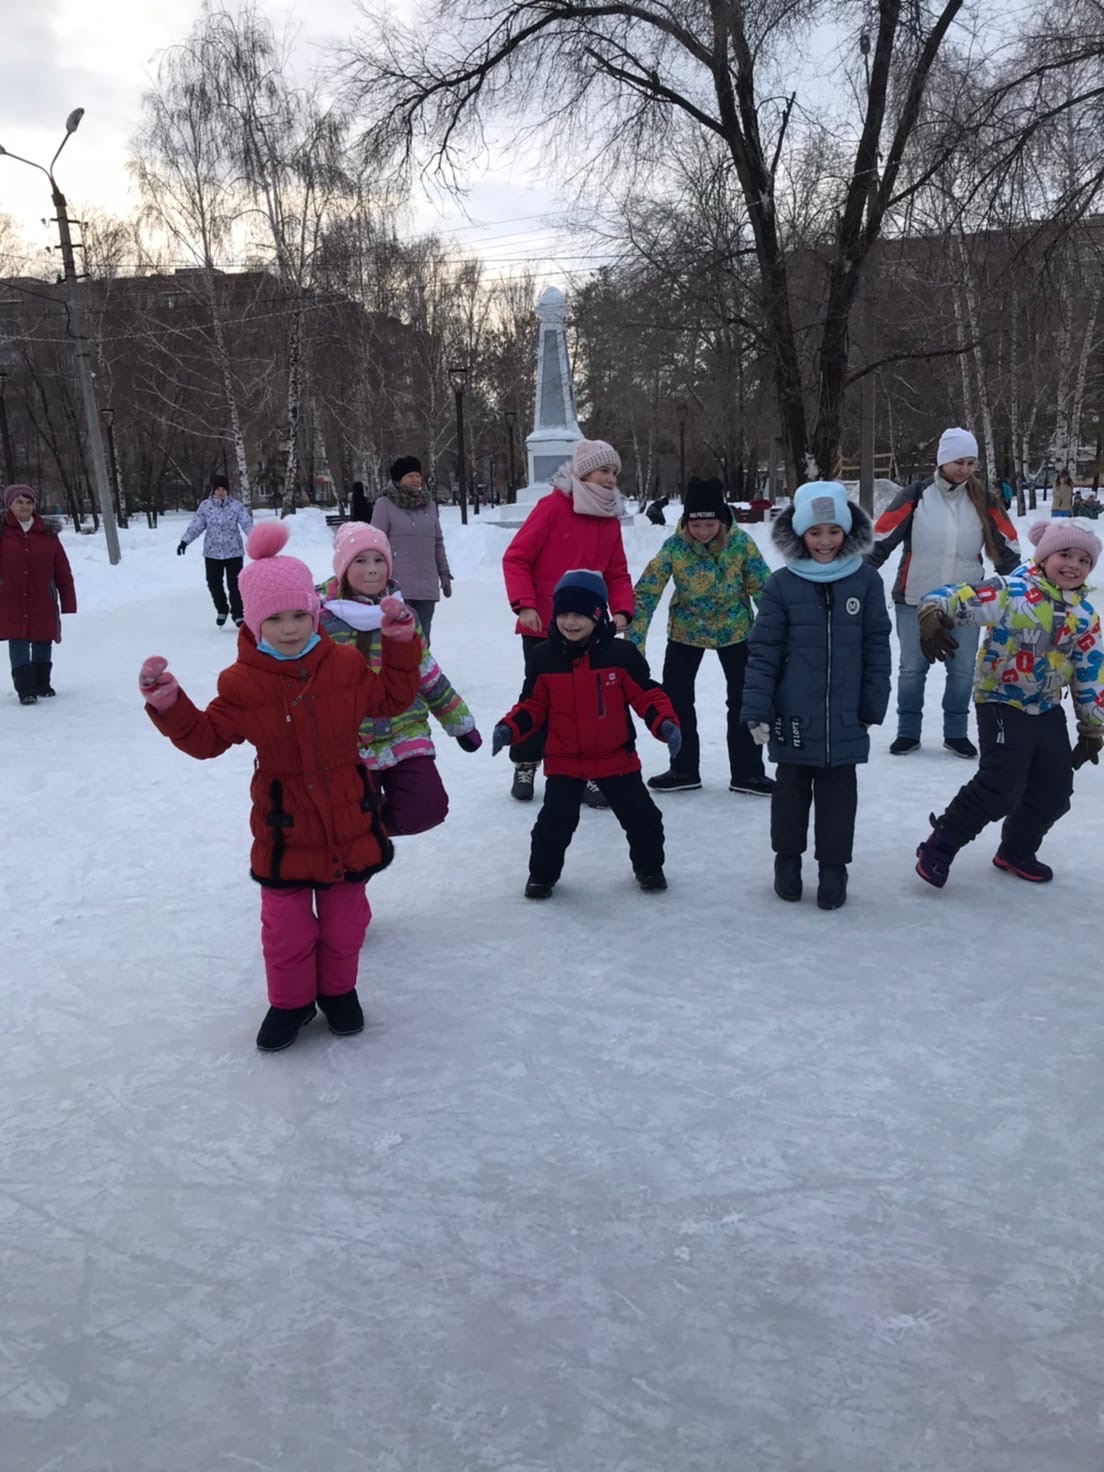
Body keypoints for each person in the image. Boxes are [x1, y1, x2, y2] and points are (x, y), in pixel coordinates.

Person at [139, 520, 423, 1053]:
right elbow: (205, 739)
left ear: (315, 614)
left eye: (299, 615)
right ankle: (291, 1002)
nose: (290, 628)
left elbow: (392, 698)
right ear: (252, 623)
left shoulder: (343, 664)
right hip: (284, 827)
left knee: (344, 925)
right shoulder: (242, 683)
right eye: (275, 619)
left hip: (347, 816)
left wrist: (401, 641)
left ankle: (338, 992)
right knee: (286, 931)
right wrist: (170, 705)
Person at [914, 519, 1104, 889]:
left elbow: (1090, 671)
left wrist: (1093, 723)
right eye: (1065, 554)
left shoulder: (1085, 617)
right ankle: (940, 845)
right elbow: (962, 595)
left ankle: (1016, 849)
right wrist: (933, 610)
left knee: (1055, 791)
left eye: (1084, 560)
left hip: (1047, 707)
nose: (1073, 565)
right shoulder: (1012, 591)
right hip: (1001, 698)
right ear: (1045, 556)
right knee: (1001, 784)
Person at [741, 481, 891, 911]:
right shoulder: (781, 586)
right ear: (800, 535)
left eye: (833, 531)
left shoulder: (865, 582)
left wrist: (872, 700)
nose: (825, 542)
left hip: (845, 714)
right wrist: (757, 708)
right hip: (793, 713)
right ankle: (787, 860)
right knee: (790, 790)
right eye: (814, 533)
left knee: (839, 794)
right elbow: (764, 651)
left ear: (847, 532)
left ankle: (833, 867)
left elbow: (877, 644)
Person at [492, 570, 679, 898]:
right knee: (554, 824)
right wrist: (510, 728)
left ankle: (649, 868)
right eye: (563, 613)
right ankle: (541, 876)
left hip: (615, 757)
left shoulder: (620, 656)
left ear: (598, 614)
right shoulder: (544, 657)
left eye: (579, 614)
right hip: (564, 760)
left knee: (643, 819)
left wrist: (664, 723)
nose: (570, 622)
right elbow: (532, 705)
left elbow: (646, 695)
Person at [319, 523, 481, 835]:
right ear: (342, 566)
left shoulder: (403, 615)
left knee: (427, 807)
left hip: (404, 729)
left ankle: (365, 833)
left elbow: (426, 671)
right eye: (360, 561)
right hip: (349, 740)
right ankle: (356, 837)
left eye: (379, 560)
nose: (372, 570)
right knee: (349, 816)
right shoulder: (323, 619)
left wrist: (459, 721)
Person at [868, 427, 1019, 758]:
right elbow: (882, 538)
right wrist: (858, 578)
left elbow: (1009, 547)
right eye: (957, 462)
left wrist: (1019, 588)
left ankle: (956, 731)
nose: (964, 469)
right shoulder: (916, 494)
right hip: (915, 600)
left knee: (963, 670)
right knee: (912, 669)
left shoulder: (984, 500)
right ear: (942, 461)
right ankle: (908, 731)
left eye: (970, 462)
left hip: (967, 603)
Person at [501, 438, 635, 809]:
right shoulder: (552, 508)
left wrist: (622, 609)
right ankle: (526, 760)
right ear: (582, 470)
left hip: (590, 624)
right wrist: (524, 605)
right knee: (539, 695)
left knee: (587, 700)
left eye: (614, 472)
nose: (610, 478)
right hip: (544, 621)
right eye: (604, 470)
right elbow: (516, 559)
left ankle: (589, 771)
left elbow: (617, 572)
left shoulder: (609, 518)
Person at [629, 475, 774, 795]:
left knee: (744, 700)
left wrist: (779, 637)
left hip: (735, 630)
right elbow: (646, 593)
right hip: (686, 630)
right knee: (676, 698)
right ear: (685, 522)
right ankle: (683, 768)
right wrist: (633, 645)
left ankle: (748, 771)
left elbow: (765, 590)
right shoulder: (674, 547)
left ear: (722, 520)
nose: (703, 532)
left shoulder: (741, 544)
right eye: (696, 525)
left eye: (710, 525)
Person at [0, 483, 76, 705]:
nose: (24, 506)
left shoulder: (48, 534)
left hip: (43, 598)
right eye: (19, 502)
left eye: (28, 502)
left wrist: (68, 601)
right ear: (9, 505)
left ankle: (42, 683)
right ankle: (26, 689)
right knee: (19, 641)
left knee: (43, 640)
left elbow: (62, 569)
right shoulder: (2, 533)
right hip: (10, 599)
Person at [371, 456, 452, 640]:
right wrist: (377, 579)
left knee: (423, 639)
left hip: (427, 585)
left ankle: (423, 670)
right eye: (410, 475)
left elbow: (437, 542)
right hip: (396, 586)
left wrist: (444, 572)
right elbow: (375, 544)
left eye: (418, 475)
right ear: (399, 478)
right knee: (399, 639)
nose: (416, 480)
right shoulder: (384, 505)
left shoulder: (429, 505)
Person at [177, 474, 253, 628]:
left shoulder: (236, 506)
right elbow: (197, 525)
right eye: (218, 489)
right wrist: (185, 541)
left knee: (235, 584)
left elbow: (247, 524)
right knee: (213, 583)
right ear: (213, 490)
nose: (221, 492)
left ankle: (238, 614)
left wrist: (258, 540)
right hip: (212, 553)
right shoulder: (206, 506)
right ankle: (222, 609)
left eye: (224, 489)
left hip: (234, 552)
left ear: (228, 490)